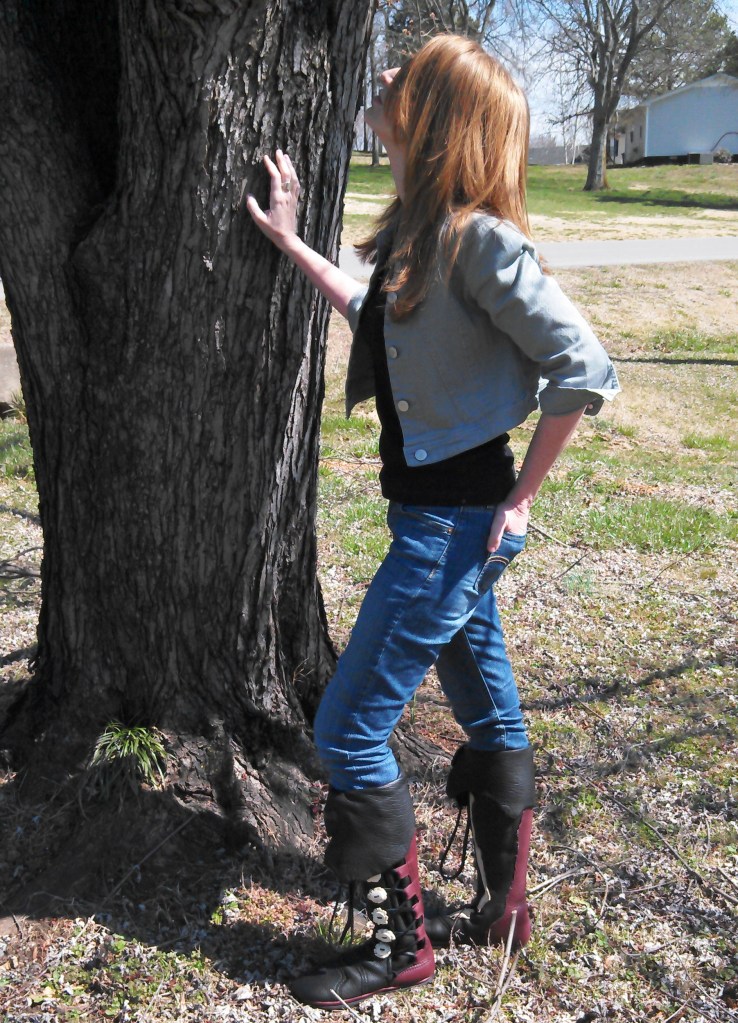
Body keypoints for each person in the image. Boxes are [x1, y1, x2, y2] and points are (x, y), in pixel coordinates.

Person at [247, 34, 620, 1011]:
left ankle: (397, 946)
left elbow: (584, 369)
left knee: (348, 730)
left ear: (439, 117)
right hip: (445, 524)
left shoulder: (481, 240)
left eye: (405, 78)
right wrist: (291, 246)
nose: (381, 79)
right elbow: (377, 309)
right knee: (490, 713)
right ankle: (504, 914)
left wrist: (521, 497)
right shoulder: (425, 234)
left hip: (452, 530)